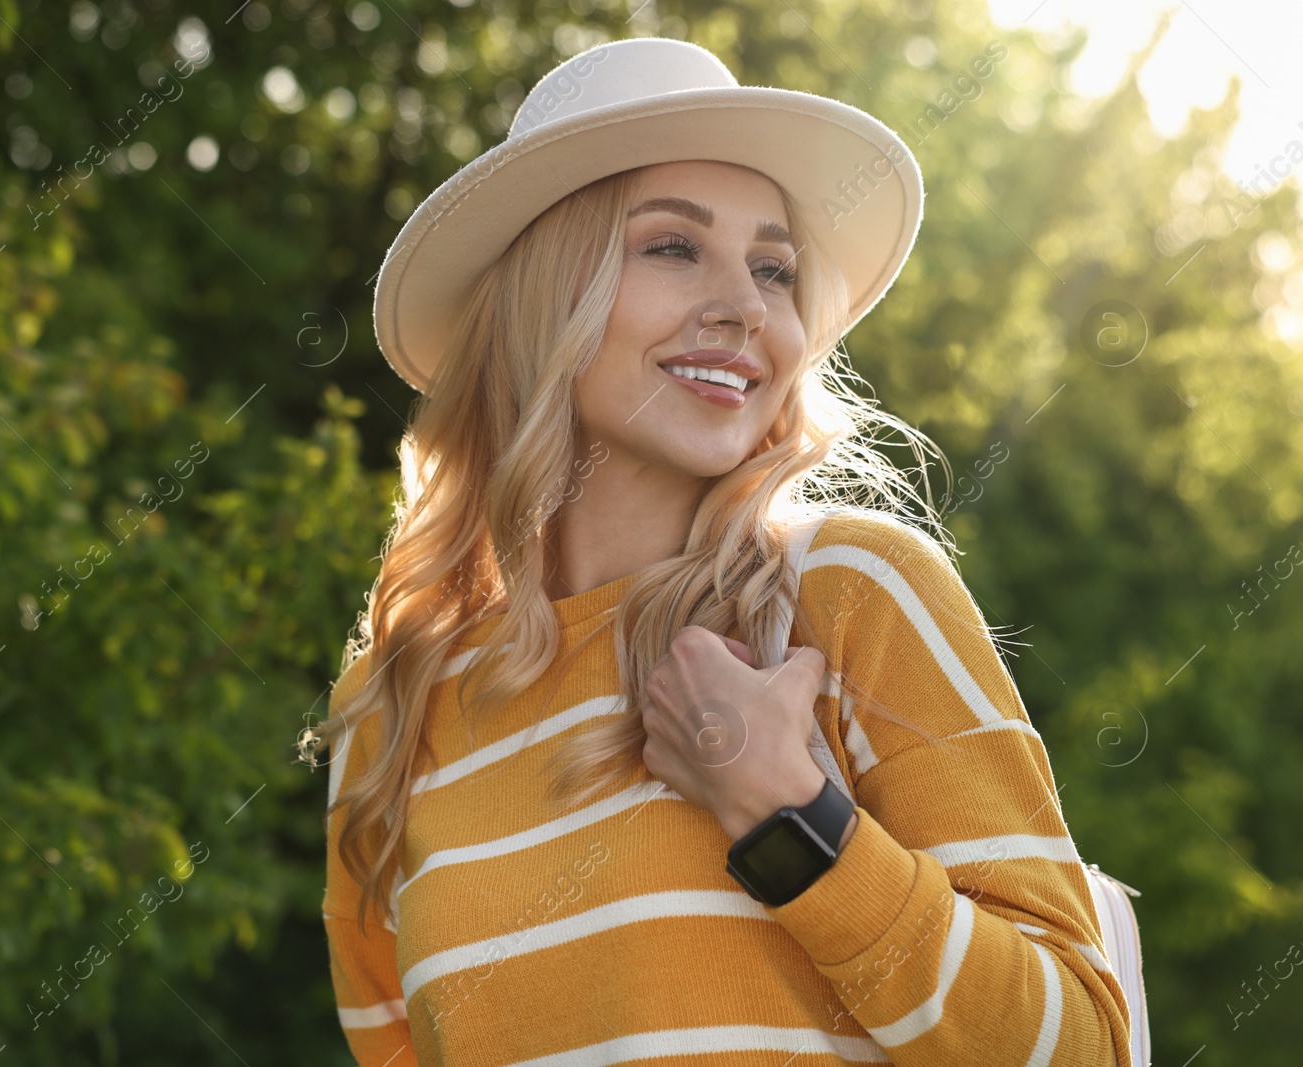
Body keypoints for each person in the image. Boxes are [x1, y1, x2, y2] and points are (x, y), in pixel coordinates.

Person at [311, 36, 1132, 1067]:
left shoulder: (847, 595)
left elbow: (1080, 1045)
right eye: (671, 246)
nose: (747, 308)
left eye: (775, 268)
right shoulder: (393, 713)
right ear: (537, 302)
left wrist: (790, 813)